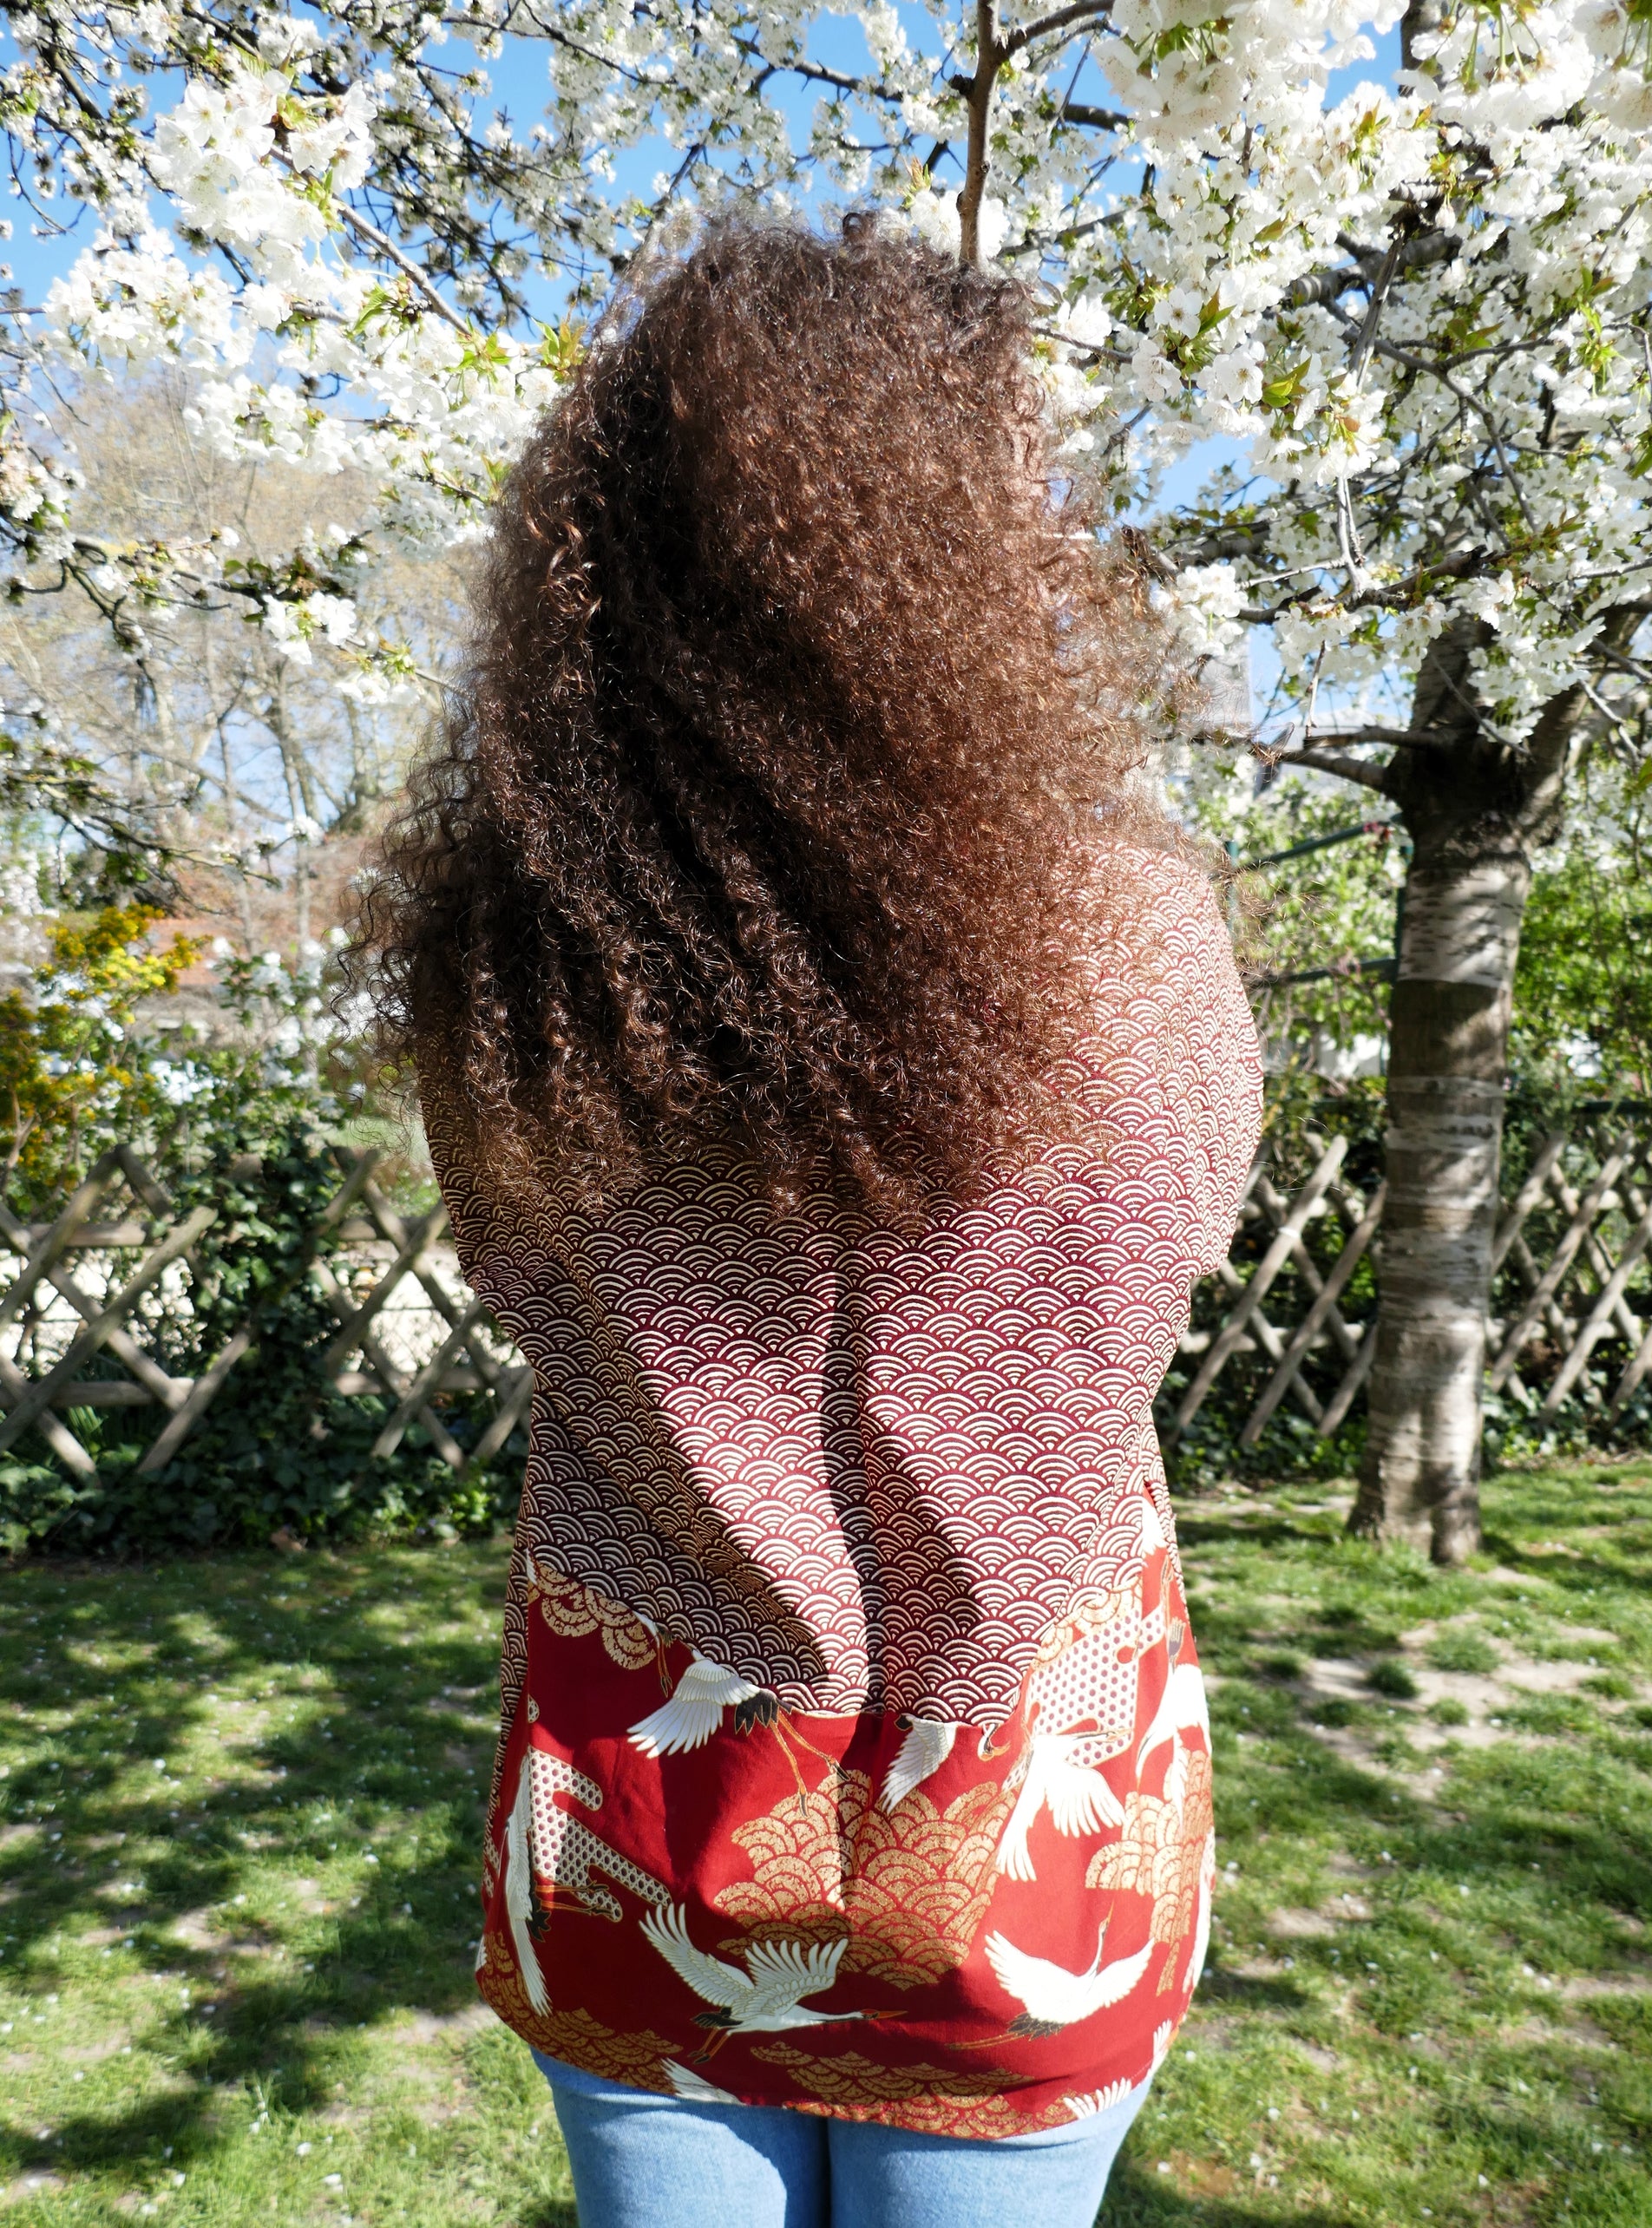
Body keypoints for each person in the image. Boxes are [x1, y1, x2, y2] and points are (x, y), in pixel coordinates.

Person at [356, 213, 1262, 2228]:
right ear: (966, 543)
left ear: (604, 557)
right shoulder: (1132, 938)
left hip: (649, 1822)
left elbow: (532, 1290)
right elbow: (1164, 1257)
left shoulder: (526, 967)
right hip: (1032, 1829)